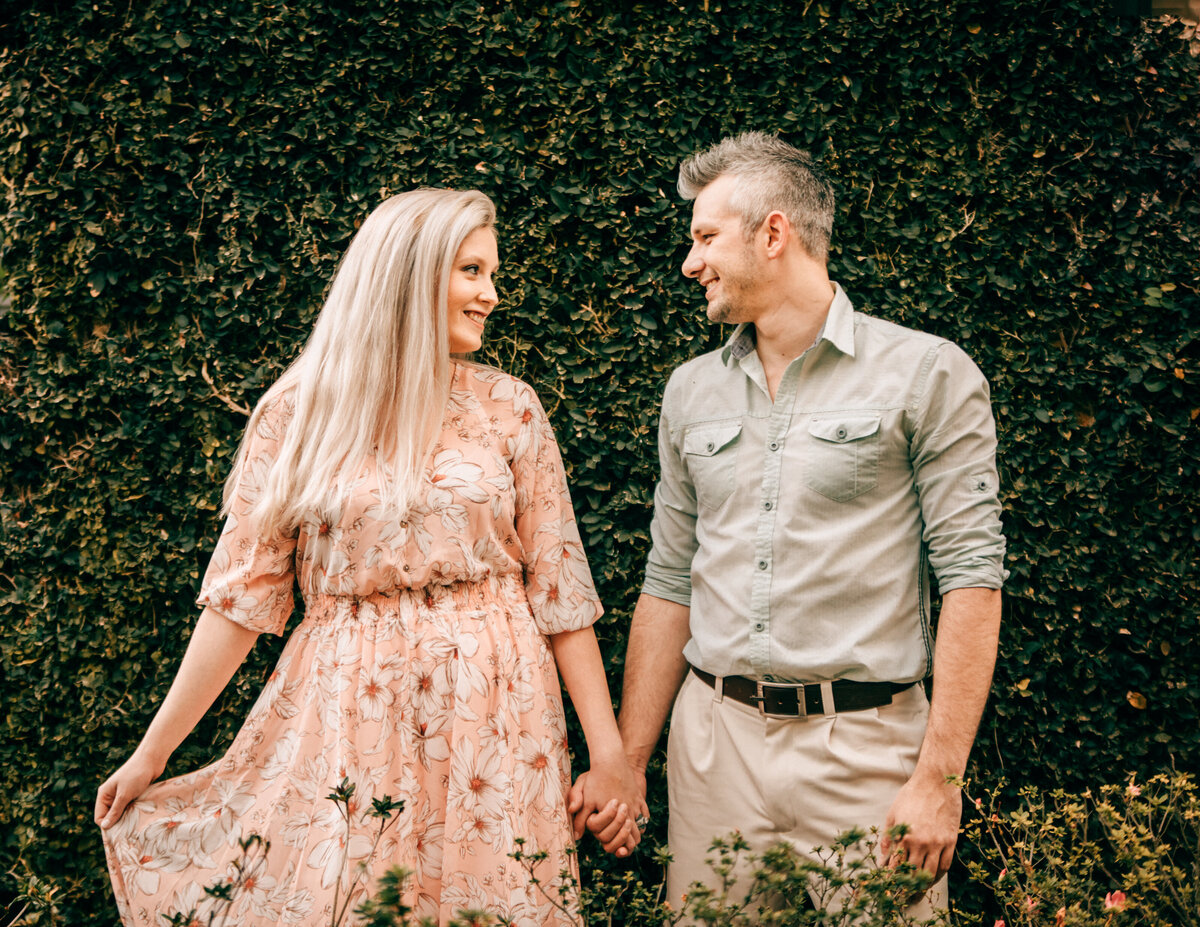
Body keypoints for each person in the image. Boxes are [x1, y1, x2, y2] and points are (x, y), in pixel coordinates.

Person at [95, 188, 646, 927]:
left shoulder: (510, 407)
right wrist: (152, 753)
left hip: (498, 709)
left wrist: (607, 754)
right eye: (472, 270)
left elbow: (560, 592)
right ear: (411, 274)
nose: (492, 293)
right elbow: (240, 600)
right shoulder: (297, 414)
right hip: (347, 710)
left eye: (491, 273)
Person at [571, 133, 1007, 918]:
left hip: (868, 750)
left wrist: (938, 779)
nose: (689, 261)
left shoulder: (927, 372)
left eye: (705, 237)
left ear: (773, 234)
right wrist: (631, 763)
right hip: (714, 752)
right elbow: (669, 579)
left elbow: (972, 578)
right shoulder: (689, 392)